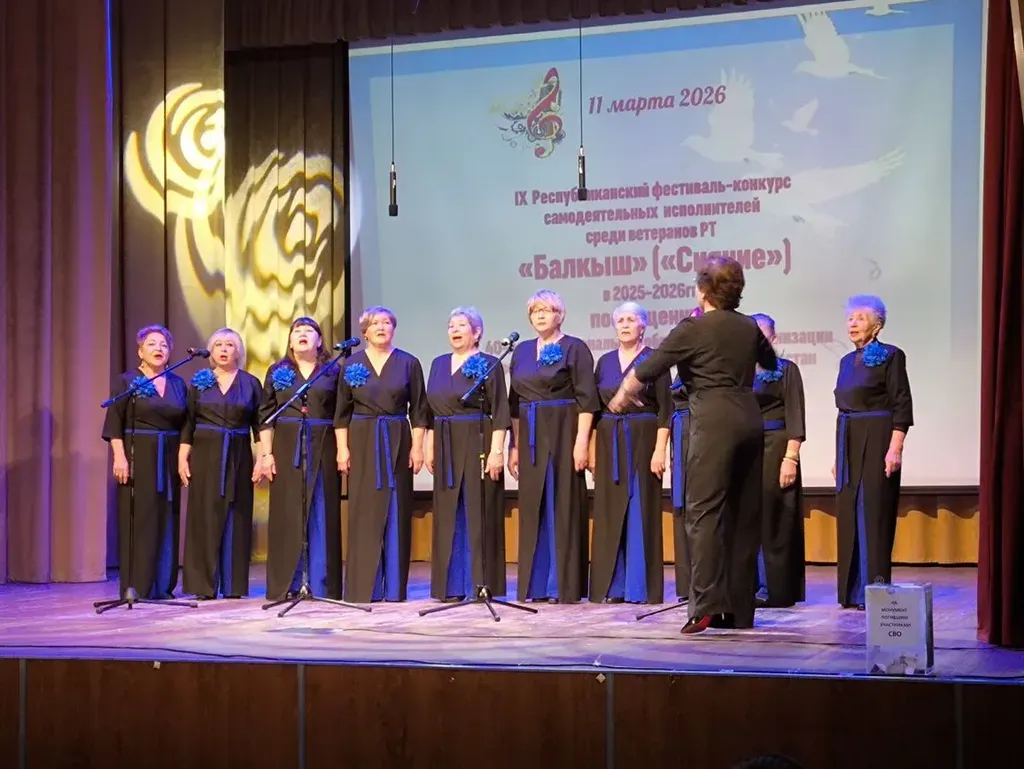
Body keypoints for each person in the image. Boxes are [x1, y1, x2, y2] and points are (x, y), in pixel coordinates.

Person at [609, 256, 776, 633]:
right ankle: (739, 612)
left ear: (703, 291)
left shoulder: (693, 327)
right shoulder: (749, 325)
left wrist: (621, 395)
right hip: (750, 418)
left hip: (713, 420)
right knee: (743, 515)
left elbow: (647, 368)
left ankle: (706, 606)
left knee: (703, 513)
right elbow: (769, 362)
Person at [507, 290, 599, 604]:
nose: (541, 315)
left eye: (547, 310)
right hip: (530, 435)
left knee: (563, 504)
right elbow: (514, 404)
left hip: (563, 431)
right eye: (535, 311)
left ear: (560, 315)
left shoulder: (574, 347)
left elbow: (587, 400)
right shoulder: (521, 351)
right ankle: (535, 585)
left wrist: (582, 442)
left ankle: (563, 585)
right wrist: (515, 446)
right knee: (533, 507)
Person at [335, 306, 428, 603]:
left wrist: (417, 447)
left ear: (393, 329)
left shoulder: (409, 363)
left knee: (396, 507)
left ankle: (394, 588)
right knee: (364, 511)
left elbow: (420, 411)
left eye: (387, 322)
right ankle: (364, 586)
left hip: (397, 435)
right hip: (362, 438)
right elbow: (341, 413)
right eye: (375, 323)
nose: (381, 327)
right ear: (365, 332)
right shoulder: (352, 364)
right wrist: (342, 449)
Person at [424, 307, 510, 601]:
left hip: (478, 440)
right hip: (445, 441)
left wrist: (496, 451)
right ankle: (450, 586)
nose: (455, 330)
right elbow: (430, 410)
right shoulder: (438, 364)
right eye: (451, 326)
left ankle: (480, 583)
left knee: (478, 510)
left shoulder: (488, 363)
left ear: (477, 332)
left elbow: (500, 411)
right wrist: (430, 445)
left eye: (461, 325)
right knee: (449, 513)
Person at [833, 295, 913, 609]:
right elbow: (843, 407)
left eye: (861, 318)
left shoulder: (891, 356)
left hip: (878, 437)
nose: (853, 323)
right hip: (848, 438)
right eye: (850, 318)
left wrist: (895, 448)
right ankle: (851, 591)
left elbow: (902, 404)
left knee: (874, 512)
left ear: (877, 326)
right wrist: (838, 456)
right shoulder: (845, 361)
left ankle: (875, 589)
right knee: (849, 514)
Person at [589, 302, 671, 604]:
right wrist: (592, 450)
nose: (624, 324)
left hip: (643, 438)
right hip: (609, 440)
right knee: (610, 513)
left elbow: (666, 409)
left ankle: (639, 588)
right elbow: (595, 410)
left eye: (631, 319)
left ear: (643, 326)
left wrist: (659, 450)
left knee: (640, 510)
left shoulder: (655, 360)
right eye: (620, 320)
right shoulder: (605, 361)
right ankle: (613, 587)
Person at [257, 317, 343, 602]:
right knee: (287, 512)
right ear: (291, 341)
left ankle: (321, 583)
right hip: (286, 445)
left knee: (321, 510)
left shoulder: (333, 370)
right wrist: (266, 454)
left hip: (323, 442)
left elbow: (342, 414)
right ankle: (288, 582)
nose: (302, 334)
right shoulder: (277, 371)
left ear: (320, 340)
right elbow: (265, 416)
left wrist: (343, 449)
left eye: (309, 330)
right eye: (297, 331)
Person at [103, 324, 188, 599]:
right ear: (140, 351)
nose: (158, 349)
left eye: (163, 345)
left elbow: (186, 424)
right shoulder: (127, 381)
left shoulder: (177, 384)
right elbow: (114, 421)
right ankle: (137, 585)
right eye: (151, 344)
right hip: (138, 456)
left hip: (168, 456)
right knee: (140, 519)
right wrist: (119, 457)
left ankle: (162, 585)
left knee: (166, 518)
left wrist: (182, 458)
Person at [179, 328, 262, 599]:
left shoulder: (250, 383)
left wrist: (262, 458)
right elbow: (188, 423)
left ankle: (233, 585)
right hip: (205, 453)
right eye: (218, 345)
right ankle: (202, 585)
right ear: (211, 352)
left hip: (238, 452)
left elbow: (260, 426)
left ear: (238, 351)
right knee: (204, 516)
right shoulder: (200, 382)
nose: (224, 349)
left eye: (229, 345)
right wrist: (182, 457)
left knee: (237, 515)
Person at [750, 313, 807, 608]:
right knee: (748, 520)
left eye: (762, 334)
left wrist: (791, 457)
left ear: (773, 338)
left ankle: (774, 588)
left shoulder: (786, 370)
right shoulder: (737, 371)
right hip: (746, 450)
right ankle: (750, 585)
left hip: (776, 449)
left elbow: (795, 415)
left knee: (774, 519)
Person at [668, 306, 703, 602]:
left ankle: (705, 585)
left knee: (701, 506)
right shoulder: (681, 365)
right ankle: (686, 585)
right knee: (682, 508)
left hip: (702, 431)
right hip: (681, 434)